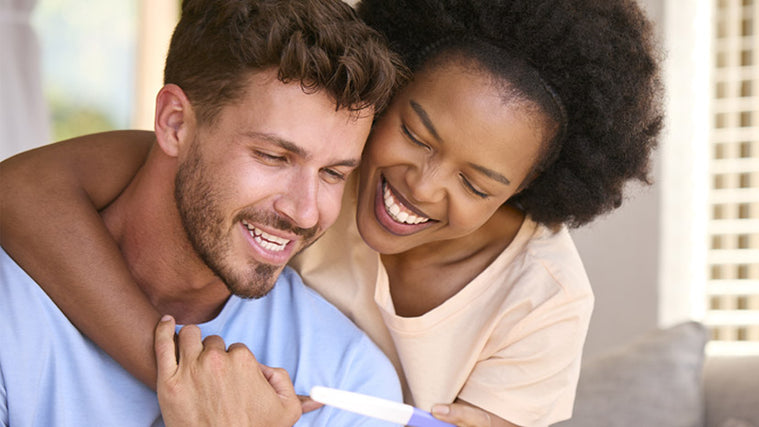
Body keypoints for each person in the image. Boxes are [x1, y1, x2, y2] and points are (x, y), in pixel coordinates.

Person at [0, 0, 663, 425]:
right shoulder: (346, 169)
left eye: (477, 181)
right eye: (417, 134)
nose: (422, 187)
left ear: (518, 193)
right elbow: (26, 190)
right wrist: (191, 377)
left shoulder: (539, 298)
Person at [0, 0, 407, 426]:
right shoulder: (15, 309)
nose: (305, 213)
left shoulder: (348, 380)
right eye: (273, 156)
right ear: (174, 123)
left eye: (333, 173)